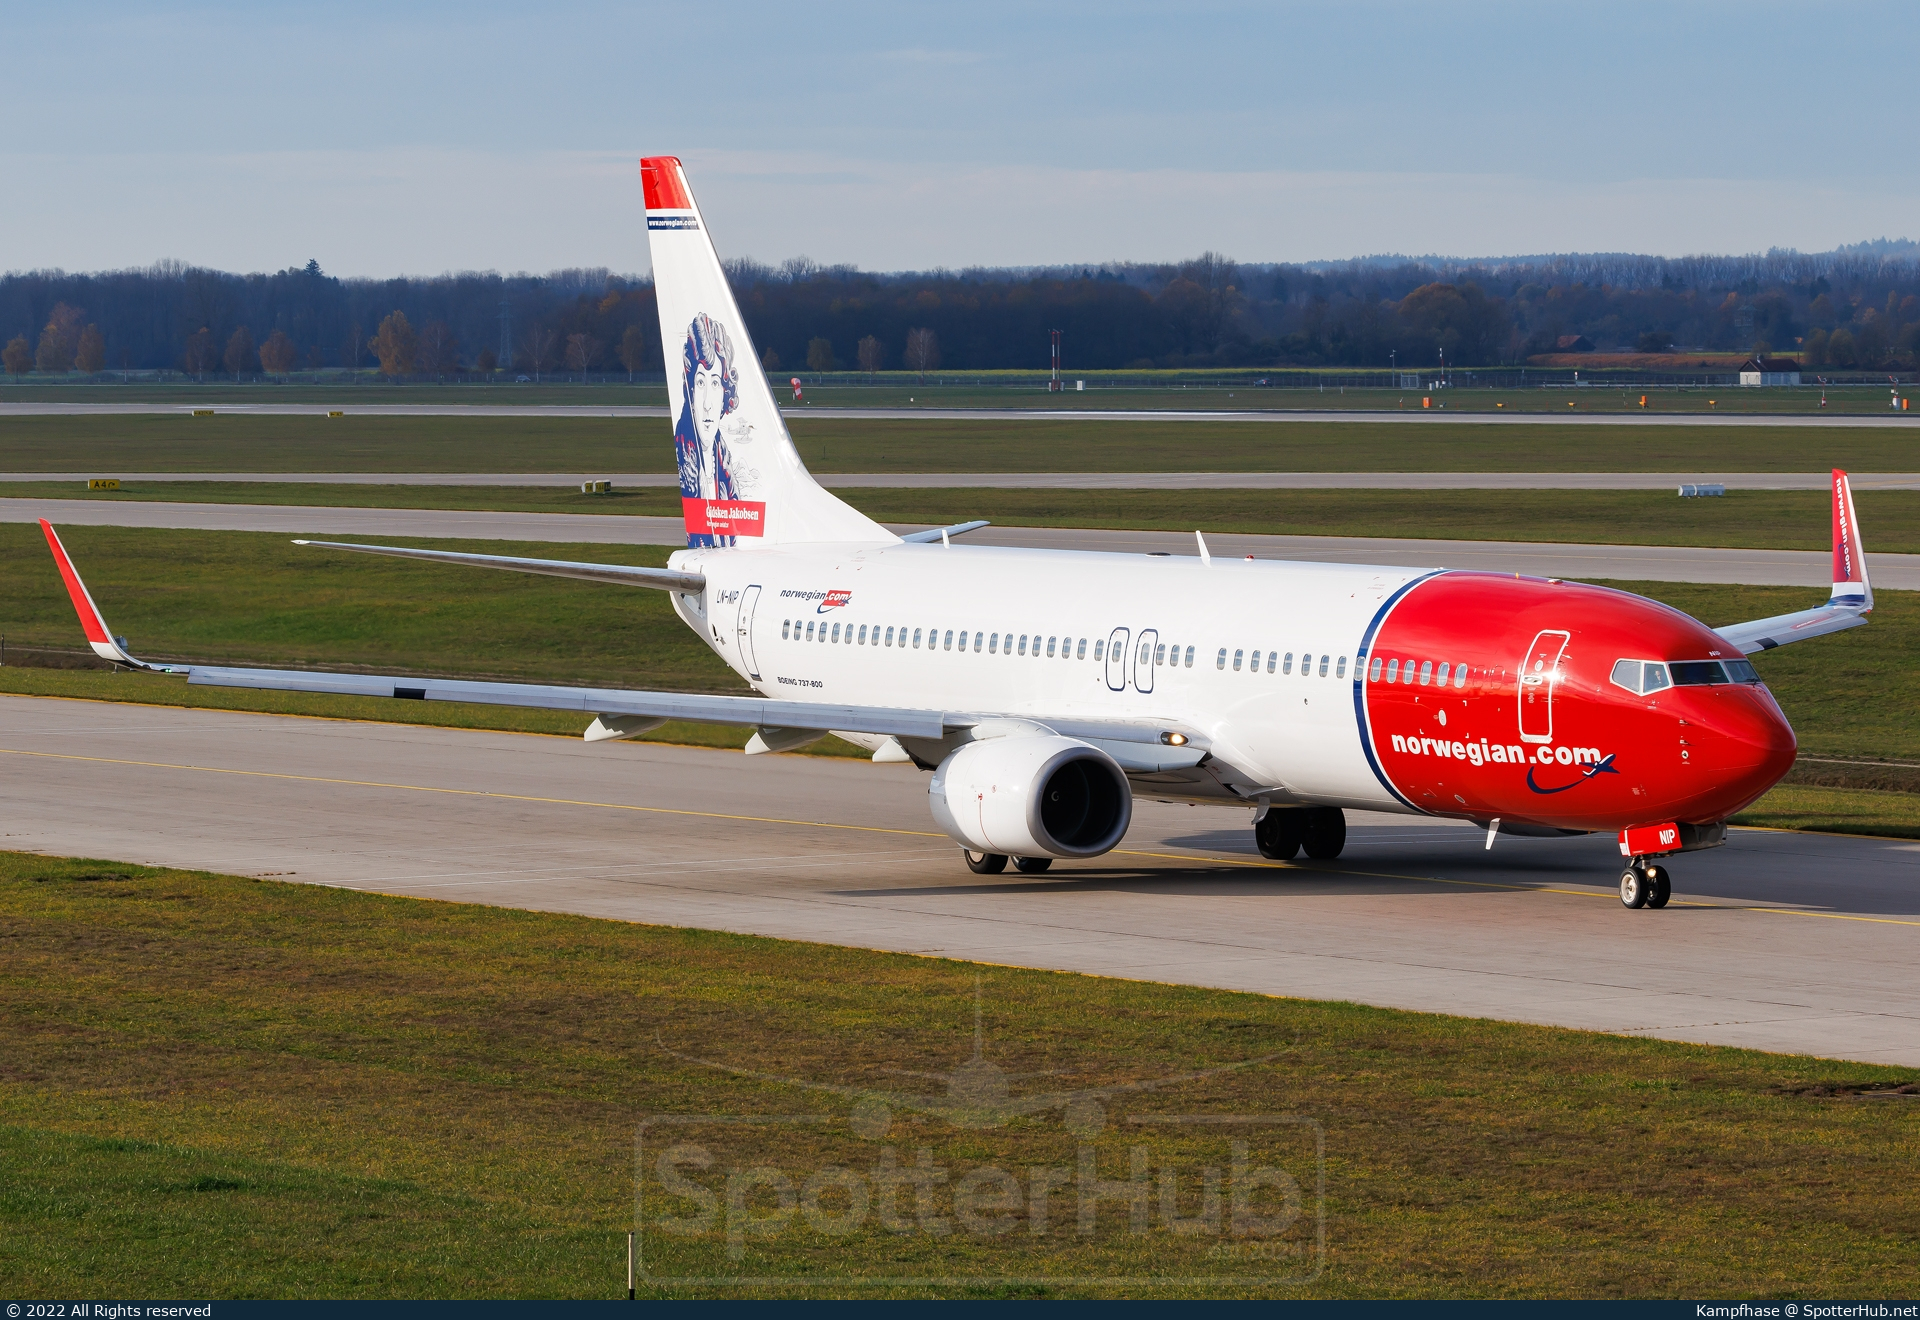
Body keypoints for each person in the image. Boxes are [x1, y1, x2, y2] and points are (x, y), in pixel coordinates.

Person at [674, 313, 741, 547]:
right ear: (690, 392)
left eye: (715, 384)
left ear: (725, 395)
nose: (707, 403)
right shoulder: (685, 458)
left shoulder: (724, 466)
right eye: (700, 382)